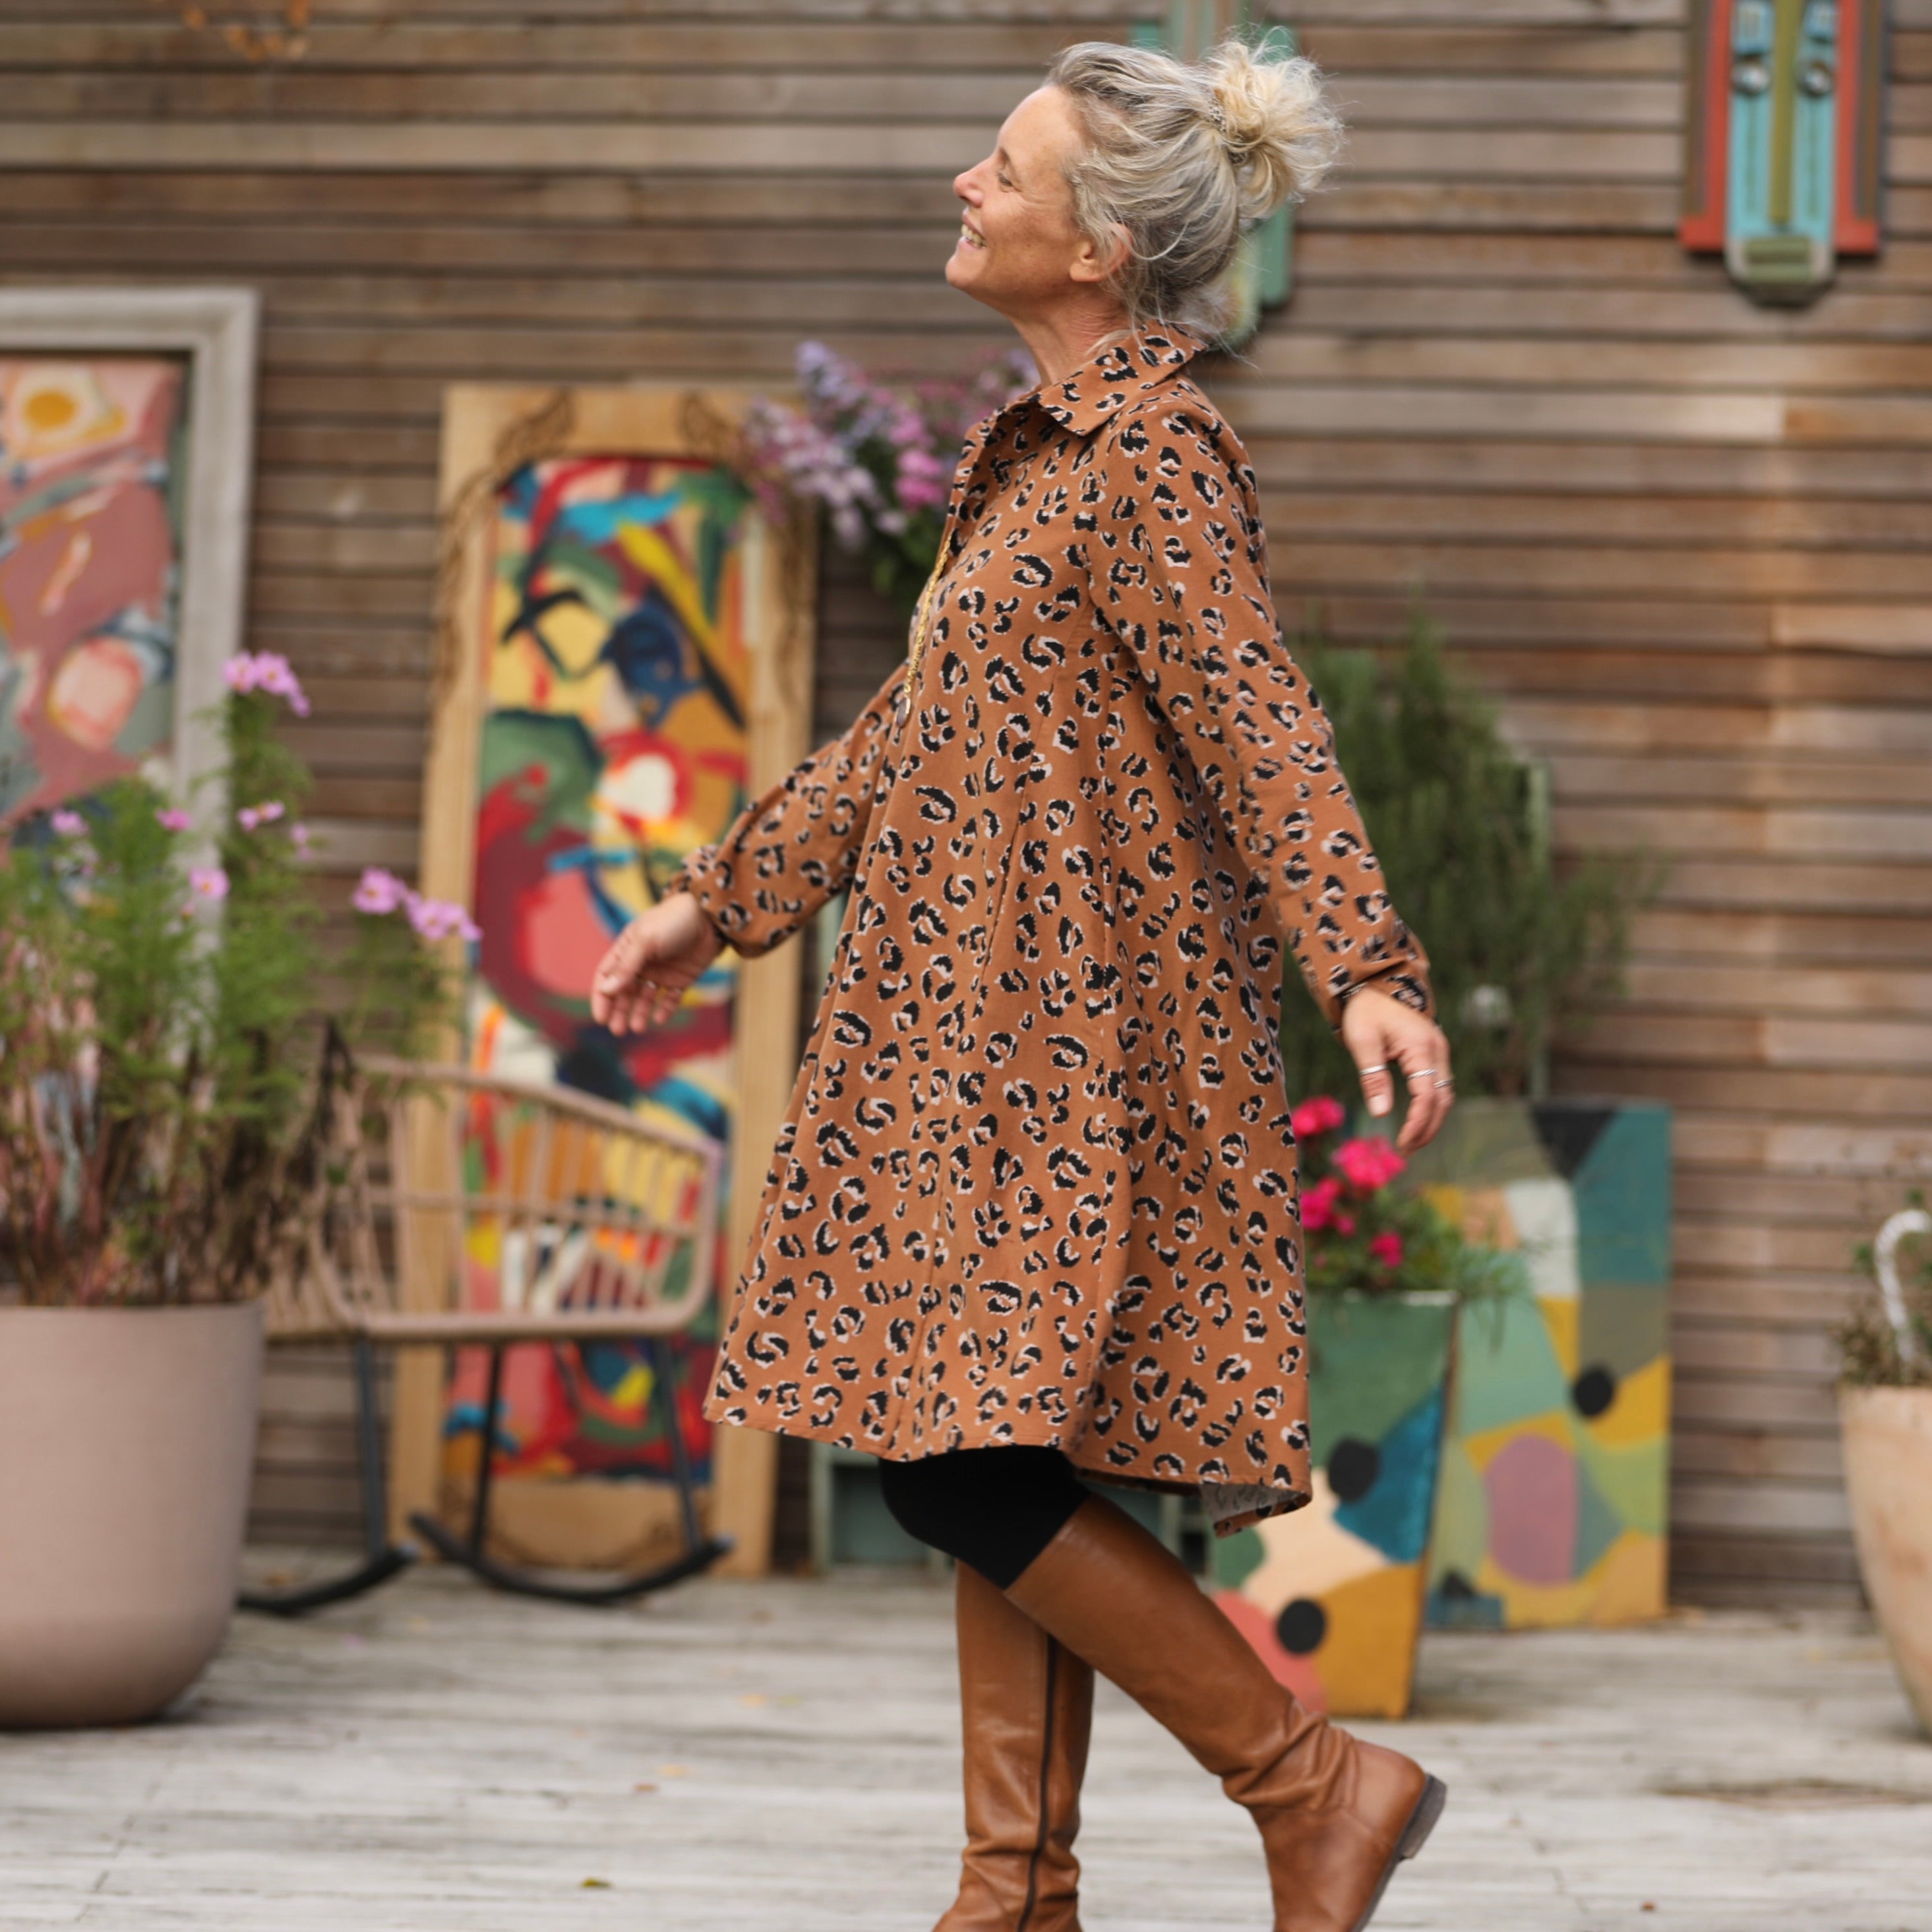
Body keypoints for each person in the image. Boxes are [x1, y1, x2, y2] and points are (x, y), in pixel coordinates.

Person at [592, 36, 1456, 1932]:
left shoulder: (1150, 453)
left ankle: (1313, 1785)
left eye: (1003, 168)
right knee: (991, 1445)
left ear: (1094, 248)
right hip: (981, 1039)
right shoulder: (1042, 454)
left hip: (1066, 1054)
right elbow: (914, 731)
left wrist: (1367, 968)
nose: (963, 186)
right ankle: (1015, 1893)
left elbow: (1260, 721)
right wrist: (713, 906)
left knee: (958, 1465)